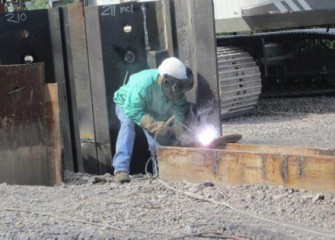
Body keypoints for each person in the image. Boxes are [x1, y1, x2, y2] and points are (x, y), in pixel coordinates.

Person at [112, 57, 194, 183]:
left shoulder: (175, 88)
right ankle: (121, 169)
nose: (179, 93)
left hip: (151, 108)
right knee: (127, 125)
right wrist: (153, 125)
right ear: (165, 81)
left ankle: (159, 173)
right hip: (127, 104)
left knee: (156, 141)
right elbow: (132, 110)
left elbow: (178, 111)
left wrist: (179, 131)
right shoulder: (143, 83)